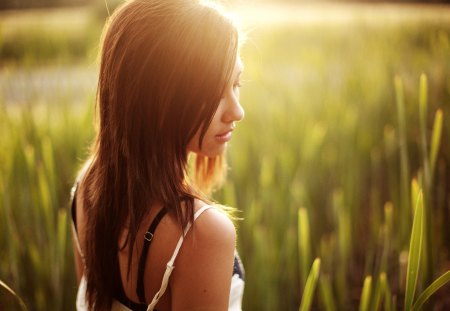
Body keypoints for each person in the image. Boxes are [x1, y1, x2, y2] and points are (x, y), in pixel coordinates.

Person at [69, 0, 245, 310]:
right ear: (158, 98)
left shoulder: (87, 186)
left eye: (236, 83)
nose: (237, 111)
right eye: (214, 92)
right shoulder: (201, 235)